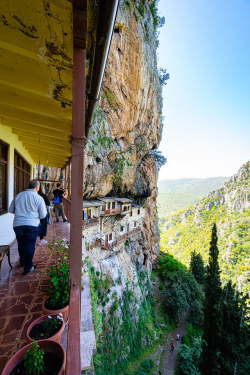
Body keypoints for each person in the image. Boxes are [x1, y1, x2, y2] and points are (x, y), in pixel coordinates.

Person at [9, 179, 47, 275]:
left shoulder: (18, 195)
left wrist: (21, 213)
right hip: (32, 225)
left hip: (18, 224)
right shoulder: (38, 198)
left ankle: (23, 262)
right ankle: (28, 267)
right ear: (37, 187)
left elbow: (11, 209)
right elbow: (43, 215)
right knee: (29, 245)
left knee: (21, 244)